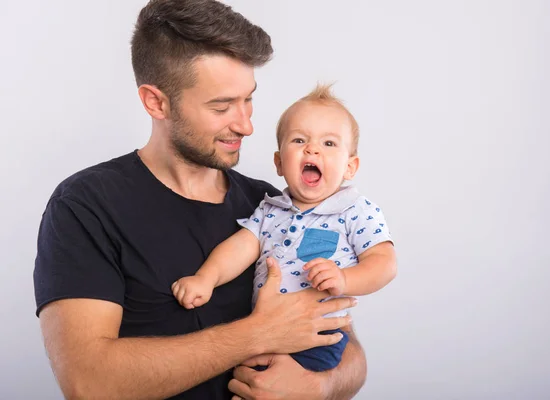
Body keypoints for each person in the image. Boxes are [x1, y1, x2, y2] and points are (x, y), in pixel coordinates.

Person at [33, 1, 368, 399]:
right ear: (156, 102)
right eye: (222, 106)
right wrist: (255, 334)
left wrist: (320, 386)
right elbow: (89, 384)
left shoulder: (275, 204)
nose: (246, 124)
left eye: (248, 99)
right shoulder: (86, 206)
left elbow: (347, 346)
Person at [172, 84, 397, 373]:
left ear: (350, 167)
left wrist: (344, 278)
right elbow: (241, 247)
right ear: (279, 163)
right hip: (265, 332)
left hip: (318, 336)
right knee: (242, 379)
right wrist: (206, 278)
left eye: (329, 144)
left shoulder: (355, 210)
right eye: (299, 140)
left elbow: (384, 264)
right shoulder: (270, 209)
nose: (312, 149)